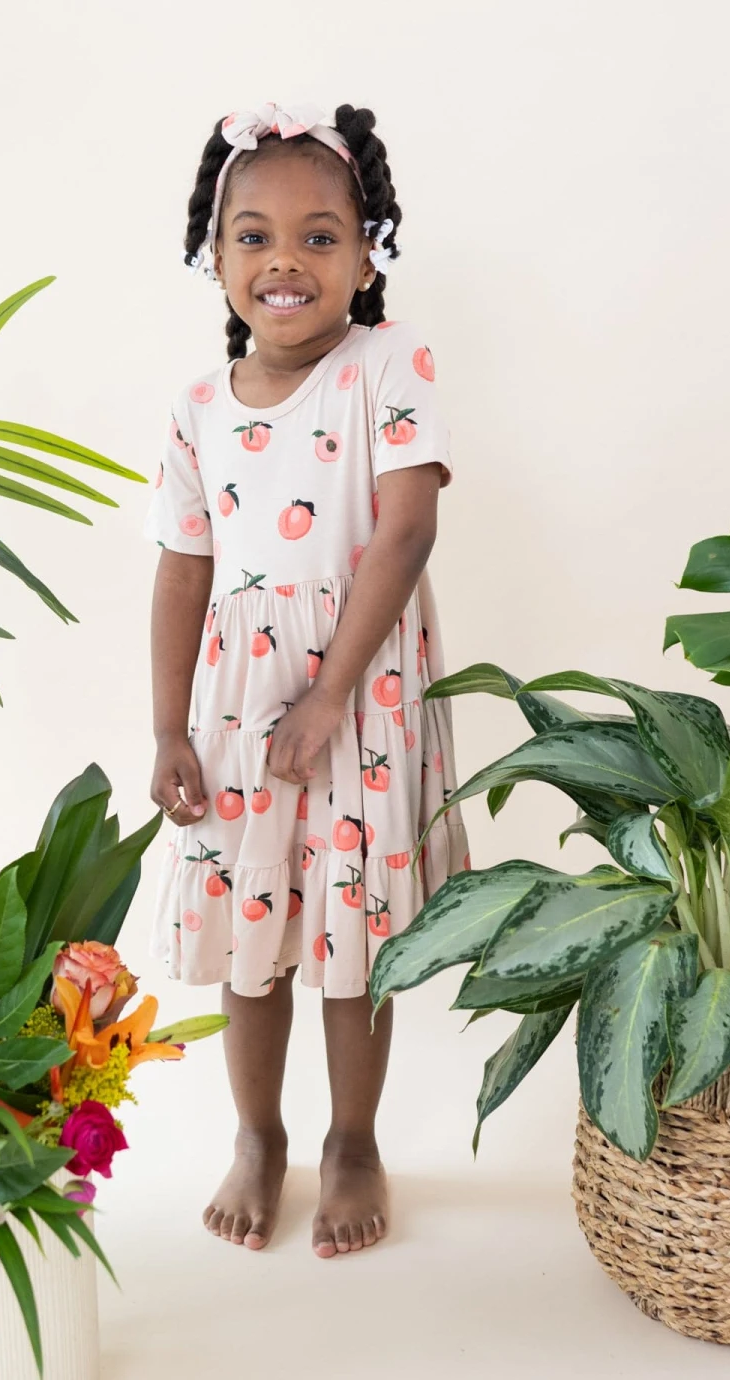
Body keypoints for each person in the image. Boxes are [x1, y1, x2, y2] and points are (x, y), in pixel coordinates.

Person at [144, 102, 469, 1259]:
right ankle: (258, 1137)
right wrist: (169, 728)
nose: (286, 260)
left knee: (350, 936)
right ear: (215, 253)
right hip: (239, 704)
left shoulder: (389, 364)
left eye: (321, 236)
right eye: (255, 236)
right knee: (254, 933)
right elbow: (185, 569)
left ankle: (352, 1141)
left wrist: (331, 691)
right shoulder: (196, 409)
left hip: (361, 693)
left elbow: (406, 530)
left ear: (368, 253)